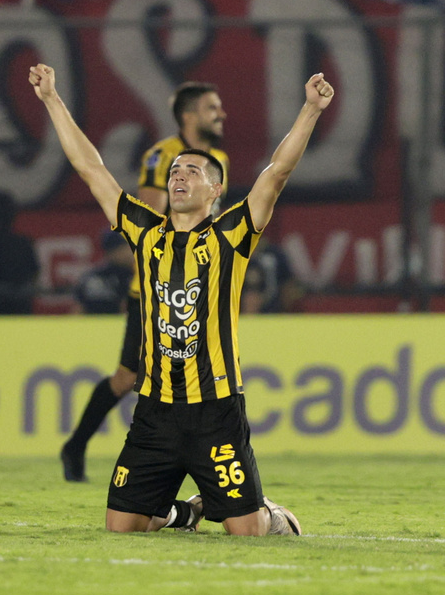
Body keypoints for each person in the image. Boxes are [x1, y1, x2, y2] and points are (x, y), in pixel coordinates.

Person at [31, 61, 333, 535]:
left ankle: (271, 515)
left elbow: (277, 172)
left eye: (192, 171)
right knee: (121, 528)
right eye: (175, 170)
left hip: (216, 410)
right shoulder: (145, 232)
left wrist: (311, 110)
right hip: (155, 411)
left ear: (215, 190)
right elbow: (90, 168)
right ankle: (187, 512)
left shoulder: (231, 234)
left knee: (246, 534)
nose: (179, 176)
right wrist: (51, 99)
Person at [60, 83, 229, 482]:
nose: (221, 114)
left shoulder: (218, 160)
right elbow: (151, 223)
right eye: (212, 108)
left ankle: (200, 463)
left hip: (200, 290)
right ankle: (77, 446)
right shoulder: (162, 156)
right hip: (157, 291)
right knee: (127, 378)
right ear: (189, 116)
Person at [71, 230, 133, 315]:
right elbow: (78, 310)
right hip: (107, 322)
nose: (131, 251)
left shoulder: (90, 276)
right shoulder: (91, 278)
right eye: (127, 247)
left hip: (104, 322)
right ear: (113, 251)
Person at [242, 237, 302, 314]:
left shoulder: (276, 255)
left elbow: (289, 285)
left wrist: (283, 309)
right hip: (238, 314)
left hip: (273, 312)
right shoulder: (233, 254)